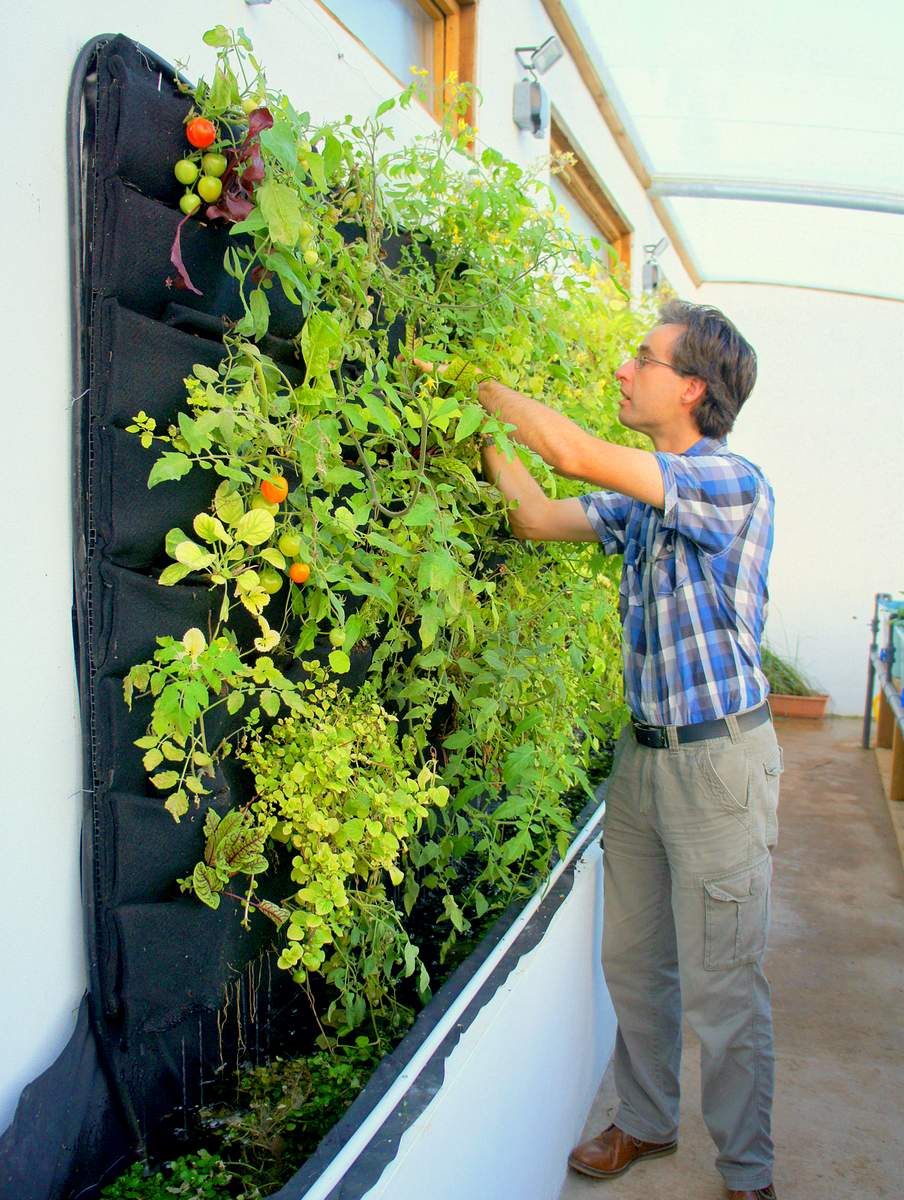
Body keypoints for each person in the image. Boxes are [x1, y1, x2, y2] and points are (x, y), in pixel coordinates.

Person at [470, 300, 781, 1200]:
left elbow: (568, 453)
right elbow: (534, 513)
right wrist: (481, 432)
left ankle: (748, 1173)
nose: (621, 369)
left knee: (725, 986)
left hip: (720, 765)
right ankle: (645, 1125)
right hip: (643, 761)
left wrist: (479, 386)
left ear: (690, 387)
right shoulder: (645, 501)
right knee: (637, 966)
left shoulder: (729, 480)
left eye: (640, 358)